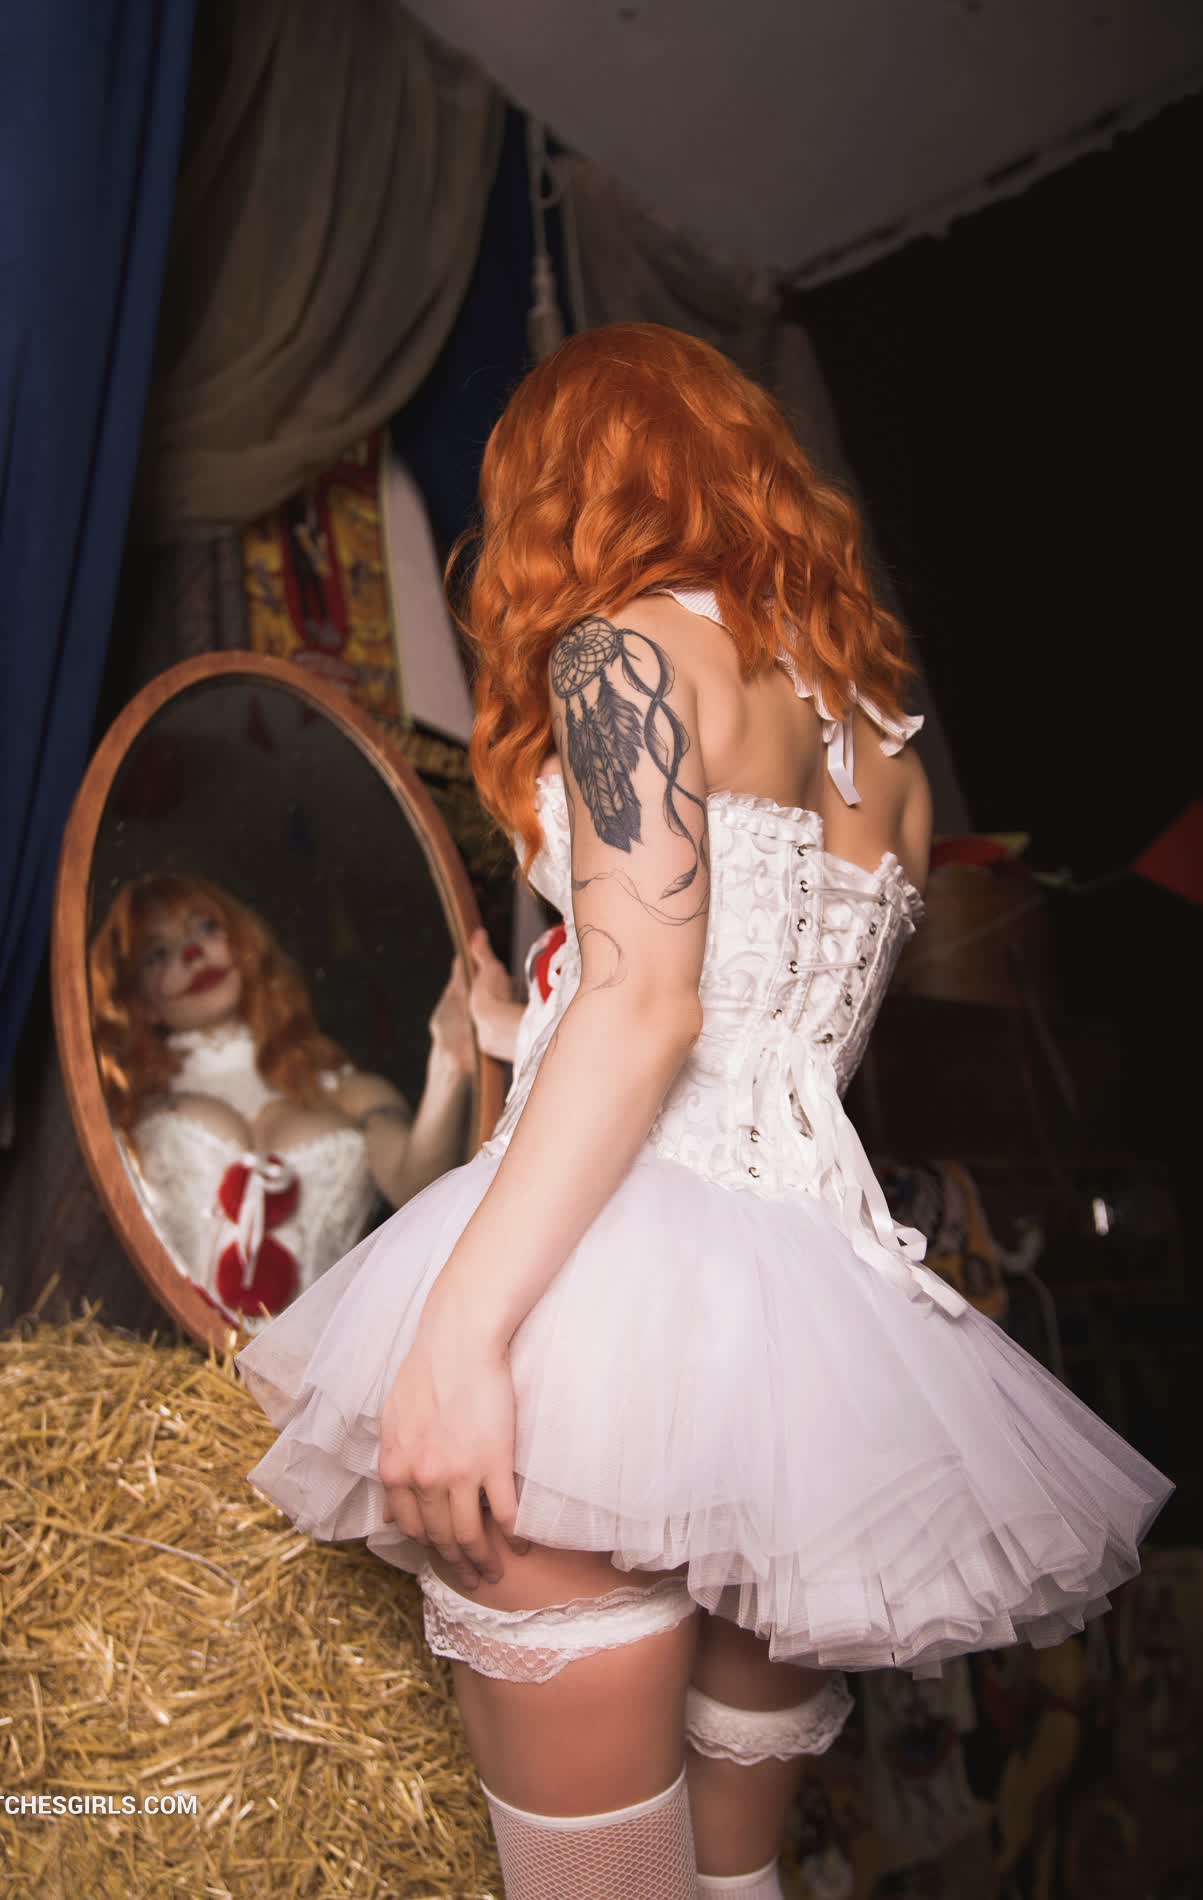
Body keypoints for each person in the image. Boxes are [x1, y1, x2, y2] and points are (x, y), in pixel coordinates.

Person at [233, 325, 1172, 1897]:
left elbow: (652, 1005)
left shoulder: (617, 654)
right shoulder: (881, 749)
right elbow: (768, 1029)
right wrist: (516, 1030)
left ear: (561, 494)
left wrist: (457, 1337)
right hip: (806, 1345)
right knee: (738, 1881)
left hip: (607, 1299)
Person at [89, 872, 474, 1328]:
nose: (192, 954)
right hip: (168, 1365)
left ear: (245, 946)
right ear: (139, 1001)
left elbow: (418, 1186)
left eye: (206, 928)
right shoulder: (119, 1106)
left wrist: (450, 1063)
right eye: (157, 954)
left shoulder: (346, 1091)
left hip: (332, 1364)